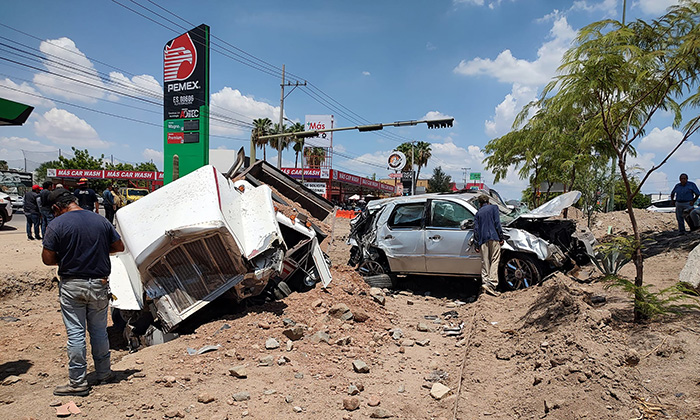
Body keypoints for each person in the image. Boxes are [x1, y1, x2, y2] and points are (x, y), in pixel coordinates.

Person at [42, 188, 124, 397]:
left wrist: (70, 257)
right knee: (99, 331)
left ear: (56, 207)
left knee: (76, 334)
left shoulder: (57, 224)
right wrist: (96, 252)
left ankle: (78, 382)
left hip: (72, 286)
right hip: (99, 284)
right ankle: (104, 374)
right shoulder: (101, 221)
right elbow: (119, 246)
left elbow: (48, 259)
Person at [473, 194, 504, 297]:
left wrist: (476, 244)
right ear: (489, 202)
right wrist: (501, 237)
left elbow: (476, 230)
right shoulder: (494, 208)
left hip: (482, 240)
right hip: (494, 237)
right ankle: (492, 283)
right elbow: (497, 223)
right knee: (495, 260)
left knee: (485, 262)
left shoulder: (478, 213)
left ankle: (485, 283)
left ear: (480, 204)